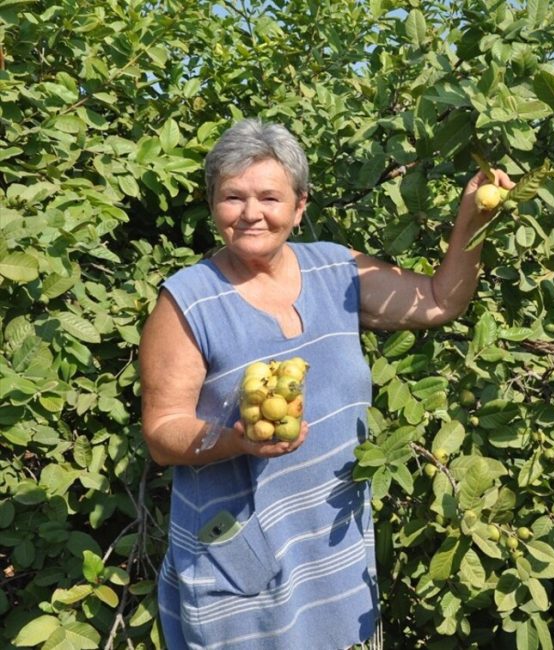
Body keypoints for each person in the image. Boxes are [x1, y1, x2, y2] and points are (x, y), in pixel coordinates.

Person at [139, 118, 513, 649]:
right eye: (232, 197)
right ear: (213, 205)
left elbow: (438, 301)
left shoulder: (336, 271)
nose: (251, 213)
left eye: (270, 196)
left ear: (300, 205)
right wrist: (235, 441)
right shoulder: (188, 302)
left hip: (333, 546)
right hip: (239, 558)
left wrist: (473, 218)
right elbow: (161, 432)